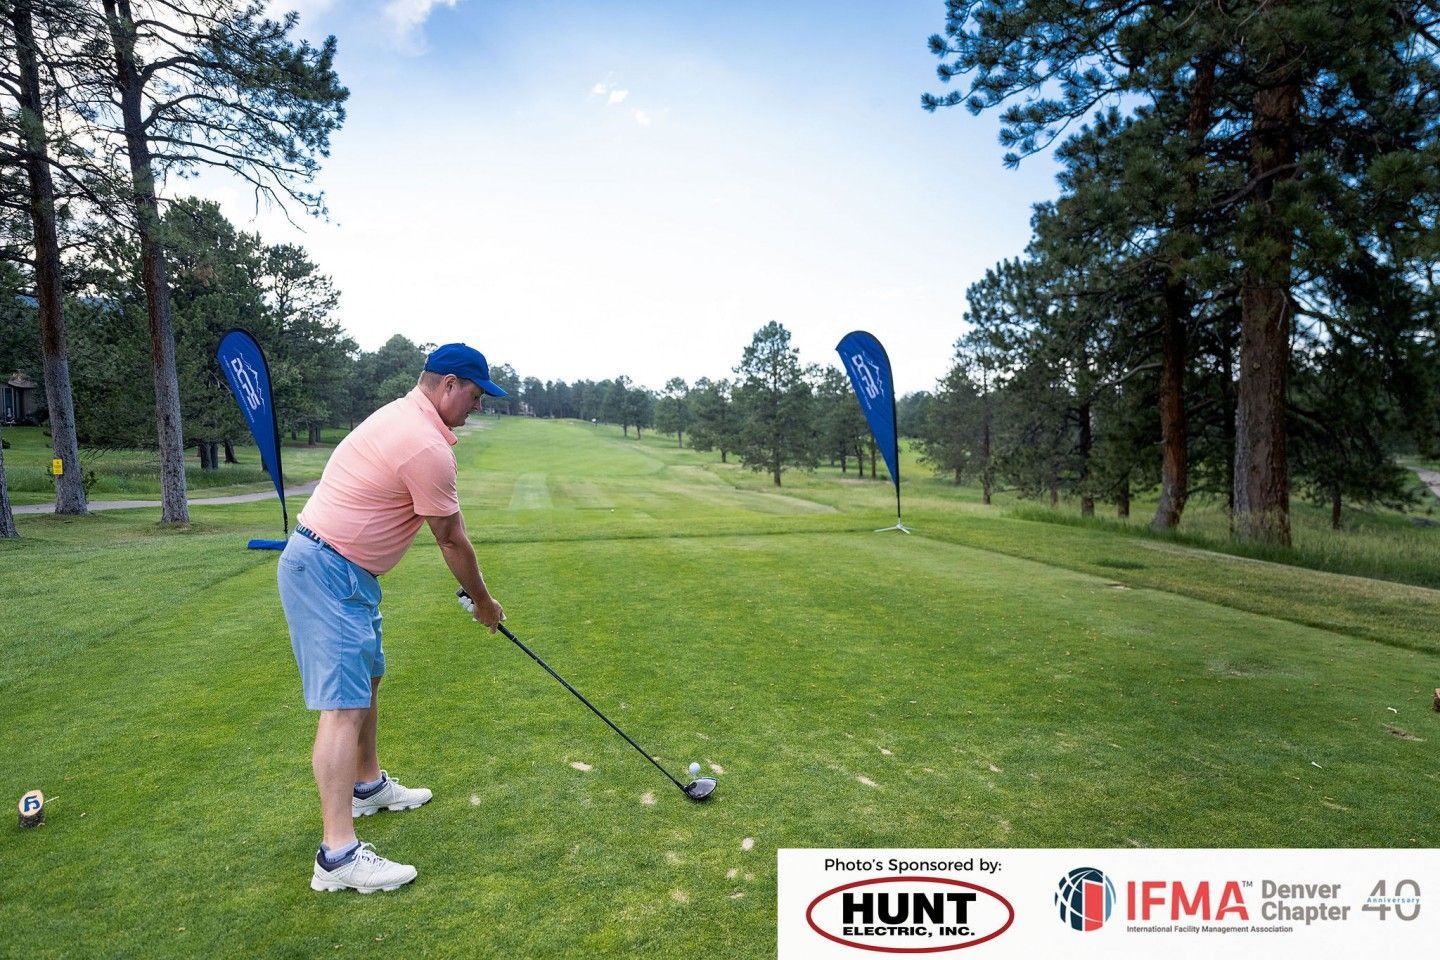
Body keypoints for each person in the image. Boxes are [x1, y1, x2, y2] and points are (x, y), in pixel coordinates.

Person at [277, 342, 507, 893]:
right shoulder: (423, 443)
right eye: (475, 395)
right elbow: (450, 538)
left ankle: (368, 784)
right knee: (342, 708)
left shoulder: (404, 416)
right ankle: (338, 857)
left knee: (368, 678)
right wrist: (483, 601)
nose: (478, 405)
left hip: (346, 572)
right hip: (330, 569)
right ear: (448, 384)